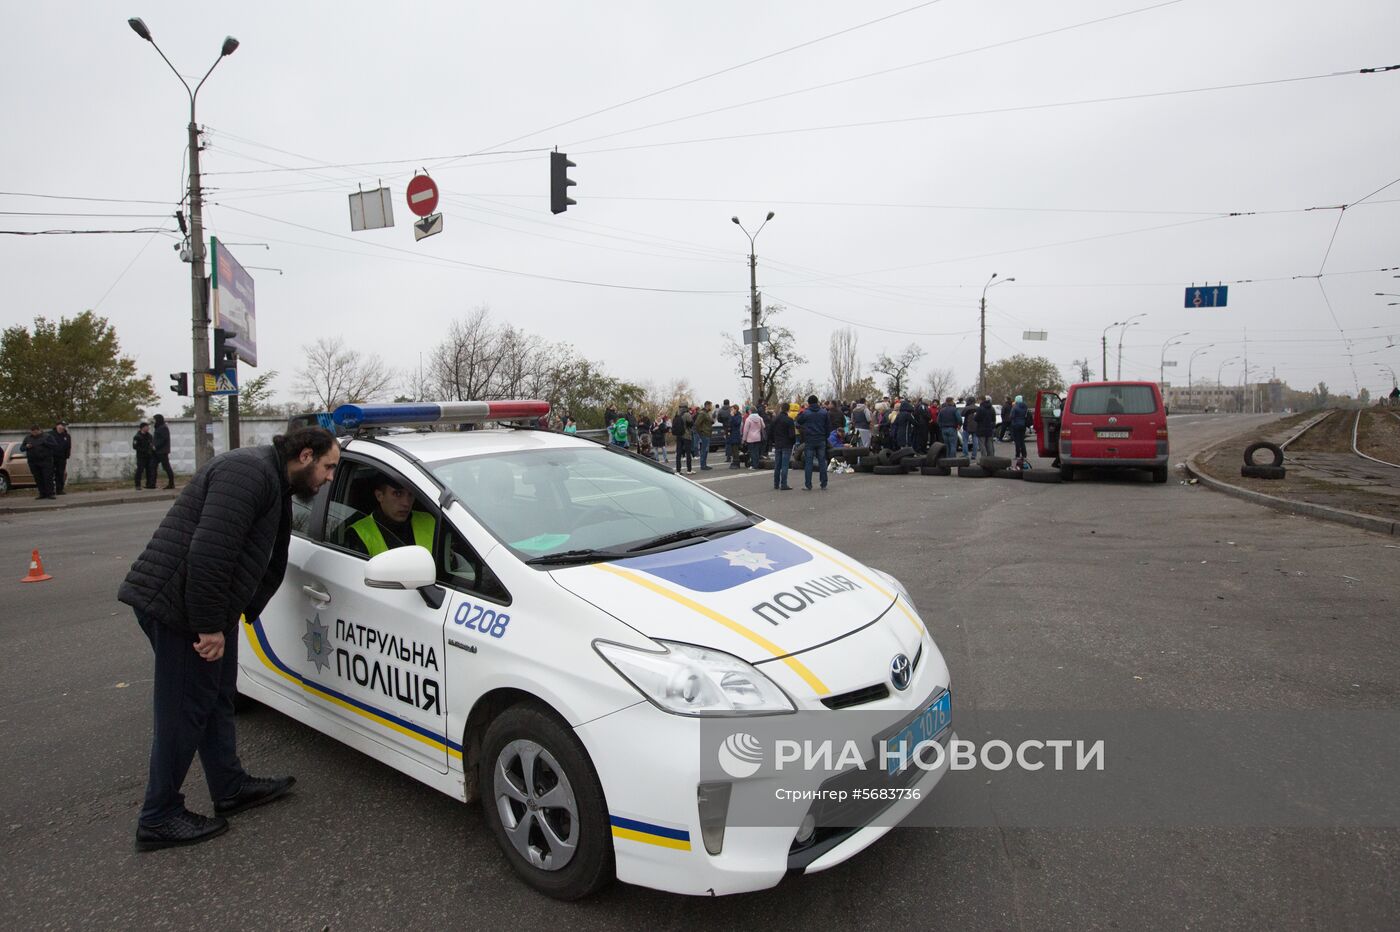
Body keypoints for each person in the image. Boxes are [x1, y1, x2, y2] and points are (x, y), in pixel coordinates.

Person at [118, 426, 340, 851]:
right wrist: (208, 626)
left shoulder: (270, 475)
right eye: (329, 467)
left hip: (202, 607)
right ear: (307, 455)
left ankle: (230, 787)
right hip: (179, 610)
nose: (330, 478)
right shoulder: (249, 473)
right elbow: (209, 553)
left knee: (217, 698)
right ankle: (159, 816)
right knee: (183, 713)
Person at [347, 474, 435, 556]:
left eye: (411, 494)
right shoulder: (358, 534)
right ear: (379, 496)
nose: (406, 503)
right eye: (398, 494)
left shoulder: (429, 520)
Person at [795, 395, 829, 490]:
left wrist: (804, 430)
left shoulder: (806, 413)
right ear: (817, 402)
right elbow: (828, 426)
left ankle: (808, 484)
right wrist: (825, 437)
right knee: (822, 462)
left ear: (809, 403)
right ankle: (823, 484)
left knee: (808, 463)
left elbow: (798, 422)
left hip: (809, 440)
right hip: (821, 439)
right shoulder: (824, 412)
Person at [20, 425, 58, 500]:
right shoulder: (28, 438)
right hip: (33, 461)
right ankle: (42, 493)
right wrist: (26, 446)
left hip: (46, 461)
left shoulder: (47, 436)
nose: (34, 433)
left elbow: (55, 445)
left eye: (35, 431)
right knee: (38, 478)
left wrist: (46, 443)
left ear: (39, 430)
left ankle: (50, 493)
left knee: (47, 478)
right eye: (32, 432)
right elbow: (21, 448)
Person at [770, 404, 795, 490]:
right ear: (788, 410)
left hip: (778, 444)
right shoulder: (789, 420)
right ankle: (783, 484)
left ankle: (776, 484)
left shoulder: (775, 420)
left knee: (777, 465)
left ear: (781, 409)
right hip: (787, 444)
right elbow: (792, 435)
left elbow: (771, 432)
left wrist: (774, 441)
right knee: (784, 465)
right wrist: (792, 443)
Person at [47, 421, 72, 495]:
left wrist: (67, 456)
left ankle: (59, 489)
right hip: (51, 457)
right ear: (57, 426)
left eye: (64, 426)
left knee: (60, 474)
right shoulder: (49, 434)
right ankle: (50, 490)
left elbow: (68, 447)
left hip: (61, 458)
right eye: (61, 425)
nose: (62, 427)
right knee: (50, 474)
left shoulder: (67, 435)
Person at [152, 414, 176, 489]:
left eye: (155, 419)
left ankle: (171, 483)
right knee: (152, 466)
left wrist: (156, 446)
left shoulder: (163, 428)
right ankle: (152, 484)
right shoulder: (158, 427)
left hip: (162, 451)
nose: (154, 421)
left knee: (166, 467)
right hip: (158, 451)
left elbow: (163, 439)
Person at [132, 422, 157, 490]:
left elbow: (151, 444)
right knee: (140, 470)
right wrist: (143, 450)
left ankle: (149, 484)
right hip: (141, 456)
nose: (148, 428)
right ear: (142, 428)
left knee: (149, 470)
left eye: (148, 427)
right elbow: (135, 446)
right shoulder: (137, 436)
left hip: (149, 456)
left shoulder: (149, 436)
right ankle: (137, 485)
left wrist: (152, 449)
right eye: (146, 427)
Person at [741, 405, 765, 470]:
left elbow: (745, 430)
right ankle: (756, 465)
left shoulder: (748, 419)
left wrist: (743, 439)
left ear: (750, 411)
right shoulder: (760, 418)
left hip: (750, 438)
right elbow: (763, 426)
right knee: (757, 452)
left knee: (752, 452)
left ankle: (753, 465)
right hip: (758, 437)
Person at [672, 405, 693, 474]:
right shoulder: (687, 414)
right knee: (688, 453)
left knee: (678, 454)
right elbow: (691, 423)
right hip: (686, 436)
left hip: (678, 436)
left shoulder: (676, 414)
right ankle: (689, 470)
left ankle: (678, 470)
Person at [1010, 394, 1031, 464]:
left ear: (1016, 400)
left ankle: (1017, 455)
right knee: (1022, 440)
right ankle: (1024, 455)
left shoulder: (1015, 407)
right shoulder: (1025, 407)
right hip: (1023, 425)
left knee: (1017, 440)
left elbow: (1012, 416)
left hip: (1016, 425)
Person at [695, 401, 715, 470]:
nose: (711, 407)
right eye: (710, 406)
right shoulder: (702, 413)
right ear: (707, 405)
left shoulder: (706, 413)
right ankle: (703, 465)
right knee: (704, 450)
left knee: (706, 450)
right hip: (704, 434)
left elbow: (709, 422)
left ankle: (704, 465)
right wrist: (701, 432)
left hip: (707, 434)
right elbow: (697, 424)